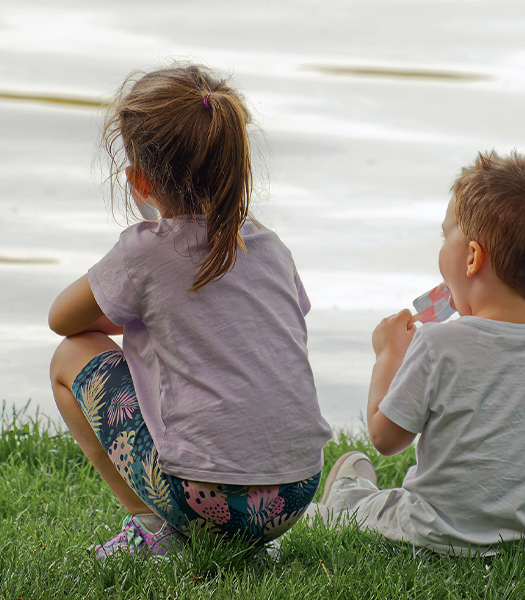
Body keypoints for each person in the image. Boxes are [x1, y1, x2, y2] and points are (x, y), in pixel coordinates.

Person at [48, 65, 332, 558]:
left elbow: (62, 320)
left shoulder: (143, 253)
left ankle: (152, 529)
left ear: (138, 179)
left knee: (68, 359)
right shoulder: (271, 247)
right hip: (295, 492)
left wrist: (137, 312)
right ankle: (248, 543)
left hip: (203, 500)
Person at [307, 150, 525, 555]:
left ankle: (345, 496)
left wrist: (389, 354)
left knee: (363, 509)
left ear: (472, 257)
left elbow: (385, 438)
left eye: (445, 236)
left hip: (435, 532)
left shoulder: (438, 344)